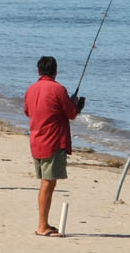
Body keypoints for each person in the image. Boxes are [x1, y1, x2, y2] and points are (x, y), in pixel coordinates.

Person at [23, 56, 85, 238]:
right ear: (55, 71)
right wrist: (76, 105)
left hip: (36, 140)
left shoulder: (31, 89)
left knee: (46, 183)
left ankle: (44, 223)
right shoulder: (58, 89)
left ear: (39, 71)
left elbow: (28, 111)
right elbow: (72, 114)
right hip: (53, 141)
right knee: (48, 184)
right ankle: (42, 226)